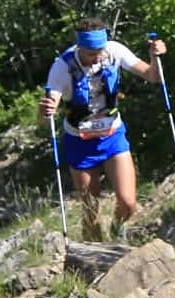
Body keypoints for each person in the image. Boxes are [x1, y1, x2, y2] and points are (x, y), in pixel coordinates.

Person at [40, 18, 168, 242]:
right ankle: (92, 258)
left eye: (100, 51)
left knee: (128, 203)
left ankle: (117, 229)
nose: (98, 57)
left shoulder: (114, 50)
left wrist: (155, 57)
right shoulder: (62, 67)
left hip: (112, 136)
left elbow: (152, 76)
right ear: (79, 47)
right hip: (79, 141)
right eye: (91, 54)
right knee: (91, 211)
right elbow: (46, 118)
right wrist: (44, 111)